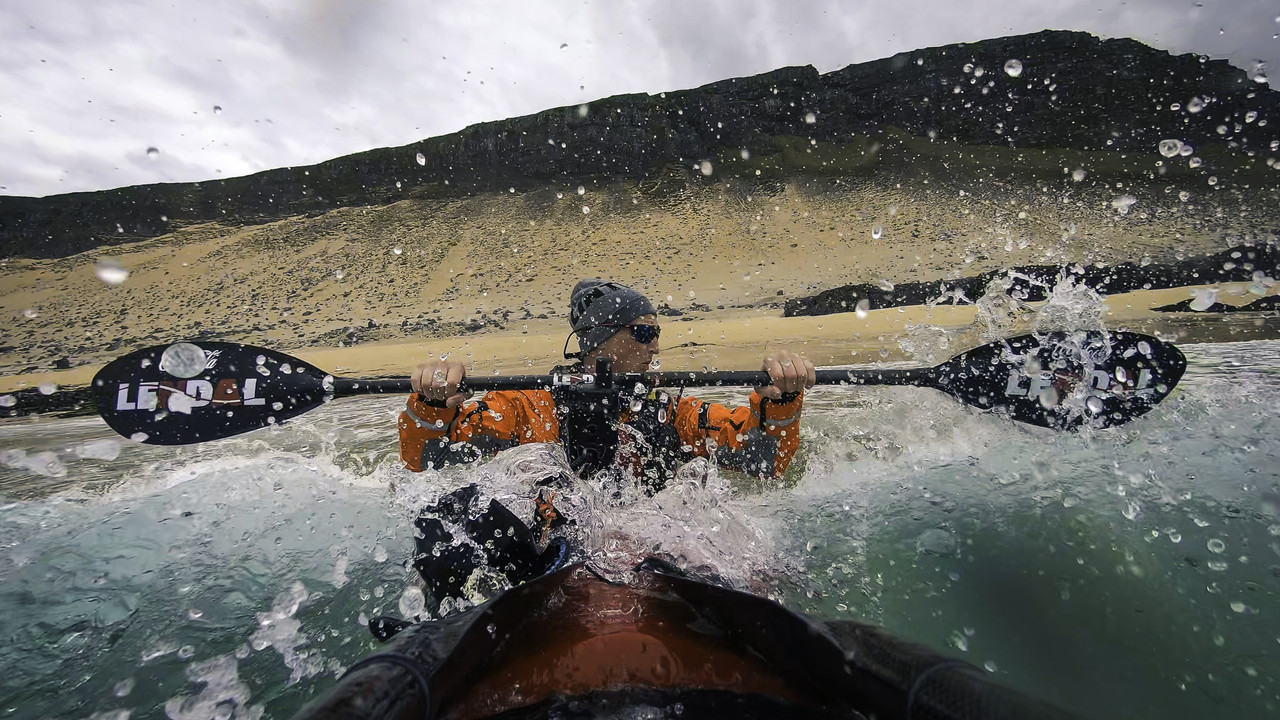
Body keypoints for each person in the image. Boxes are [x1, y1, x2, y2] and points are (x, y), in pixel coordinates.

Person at [398, 279, 817, 491]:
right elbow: (424, 460)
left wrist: (781, 402)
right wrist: (434, 405)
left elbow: (766, 463)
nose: (655, 345)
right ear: (600, 337)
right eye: (642, 332)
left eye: (656, 333)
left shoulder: (668, 411)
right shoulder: (525, 406)